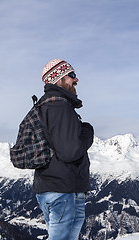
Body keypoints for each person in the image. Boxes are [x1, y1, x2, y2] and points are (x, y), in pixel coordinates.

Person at [34, 59, 94, 240]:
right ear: (59, 79)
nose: (76, 80)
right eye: (72, 76)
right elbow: (69, 152)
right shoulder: (60, 106)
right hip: (65, 191)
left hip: (50, 187)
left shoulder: (46, 105)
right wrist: (87, 131)